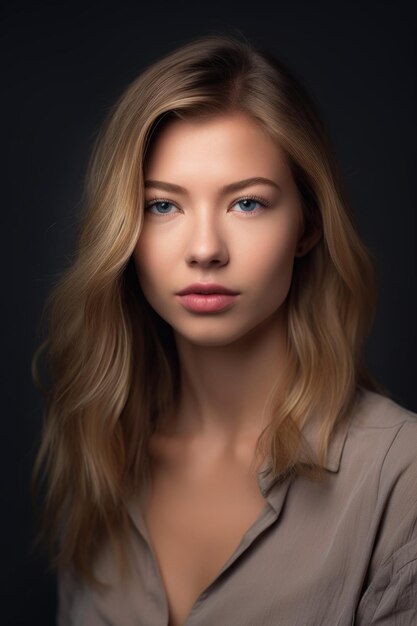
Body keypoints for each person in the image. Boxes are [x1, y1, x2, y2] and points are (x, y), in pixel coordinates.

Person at [32, 33, 417, 626]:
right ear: (124, 230)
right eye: (163, 205)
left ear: (308, 227)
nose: (205, 249)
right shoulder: (100, 458)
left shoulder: (401, 476)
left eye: (247, 204)